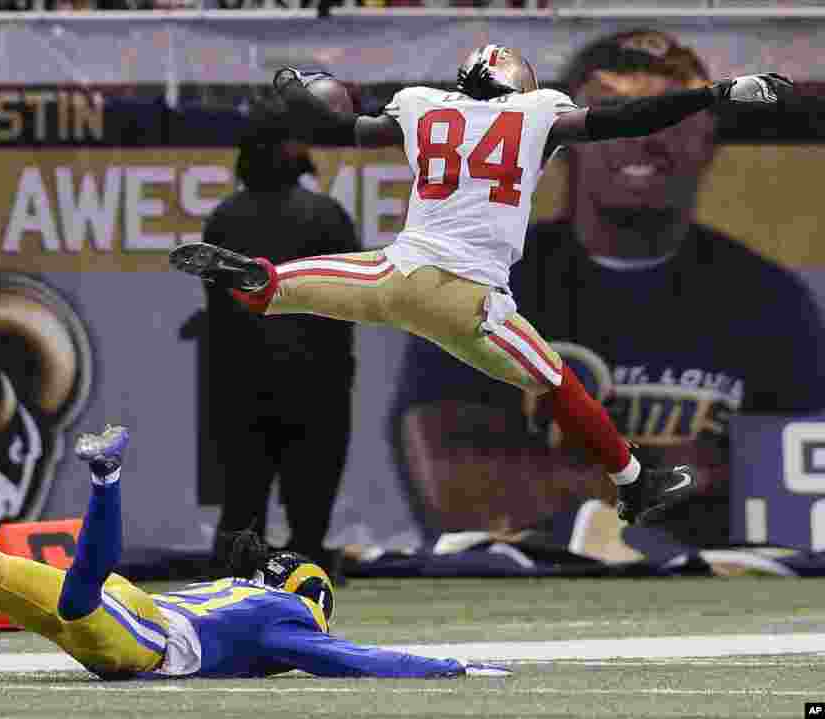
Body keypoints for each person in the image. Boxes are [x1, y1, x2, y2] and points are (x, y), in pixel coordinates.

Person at [169, 45, 791, 527]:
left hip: (399, 274)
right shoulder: (538, 112)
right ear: (518, 84)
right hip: (471, 299)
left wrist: (306, 95)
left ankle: (261, 280)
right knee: (556, 382)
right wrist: (717, 93)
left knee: (305, 283)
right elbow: (630, 118)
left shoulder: (419, 104)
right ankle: (634, 482)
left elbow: (343, 130)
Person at [388, 30, 825, 546]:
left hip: (710, 593)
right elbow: (461, 495)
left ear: (710, 138)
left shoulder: (769, 298)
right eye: (613, 109)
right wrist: (681, 472)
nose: (644, 133)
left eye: (673, 112)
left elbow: (800, 498)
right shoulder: (478, 278)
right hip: (530, 599)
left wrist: (565, 480)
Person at [0, 423, 510, 679]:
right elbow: (353, 659)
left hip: (139, 606)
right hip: (145, 638)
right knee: (76, 599)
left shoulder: (245, 592)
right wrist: (447, 666)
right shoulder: (288, 617)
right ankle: (106, 478)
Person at [196, 106, 358, 577]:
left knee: (242, 498)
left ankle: (234, 580)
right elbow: (349, 296)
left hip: (240, 381)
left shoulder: (224, 218)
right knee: (310, 506)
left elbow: (215, 295)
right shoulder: (327, 214)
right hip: (317, 380)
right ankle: (305, 576)